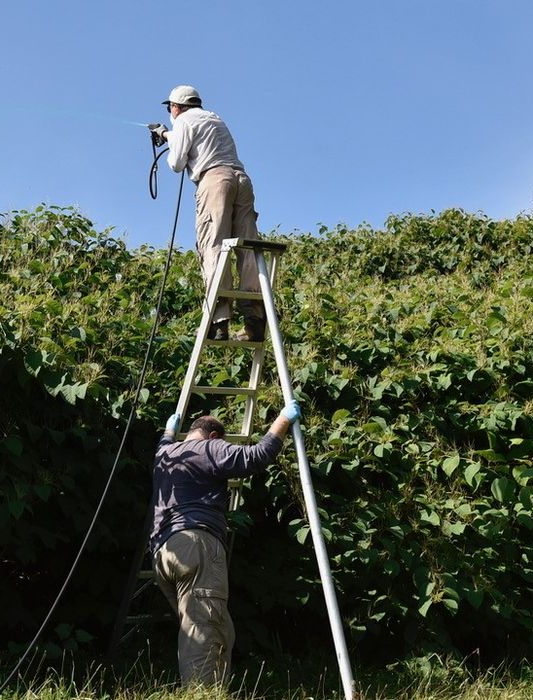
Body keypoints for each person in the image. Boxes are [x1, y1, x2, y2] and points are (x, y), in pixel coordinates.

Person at [150, 400, 301, 686]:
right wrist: (283, 419)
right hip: (196, 544)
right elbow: (256, 456)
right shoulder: (209, 448)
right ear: (214, 435)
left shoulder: (164, 453)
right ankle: (201, 694)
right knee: (204, 633)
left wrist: (169, 431)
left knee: (215, 628)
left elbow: (164, 440)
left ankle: (213, 689)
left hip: (162, 554)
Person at [150, 85, 266, 342]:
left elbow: (176, 163)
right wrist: (169, 135)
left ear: (175, 107)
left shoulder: (182, 121)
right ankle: (255, 321)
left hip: (215, 181)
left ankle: (218, 322)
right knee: (247, 248)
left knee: (214, 245)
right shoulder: (214, 117)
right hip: (242, 180)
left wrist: (169, 135)